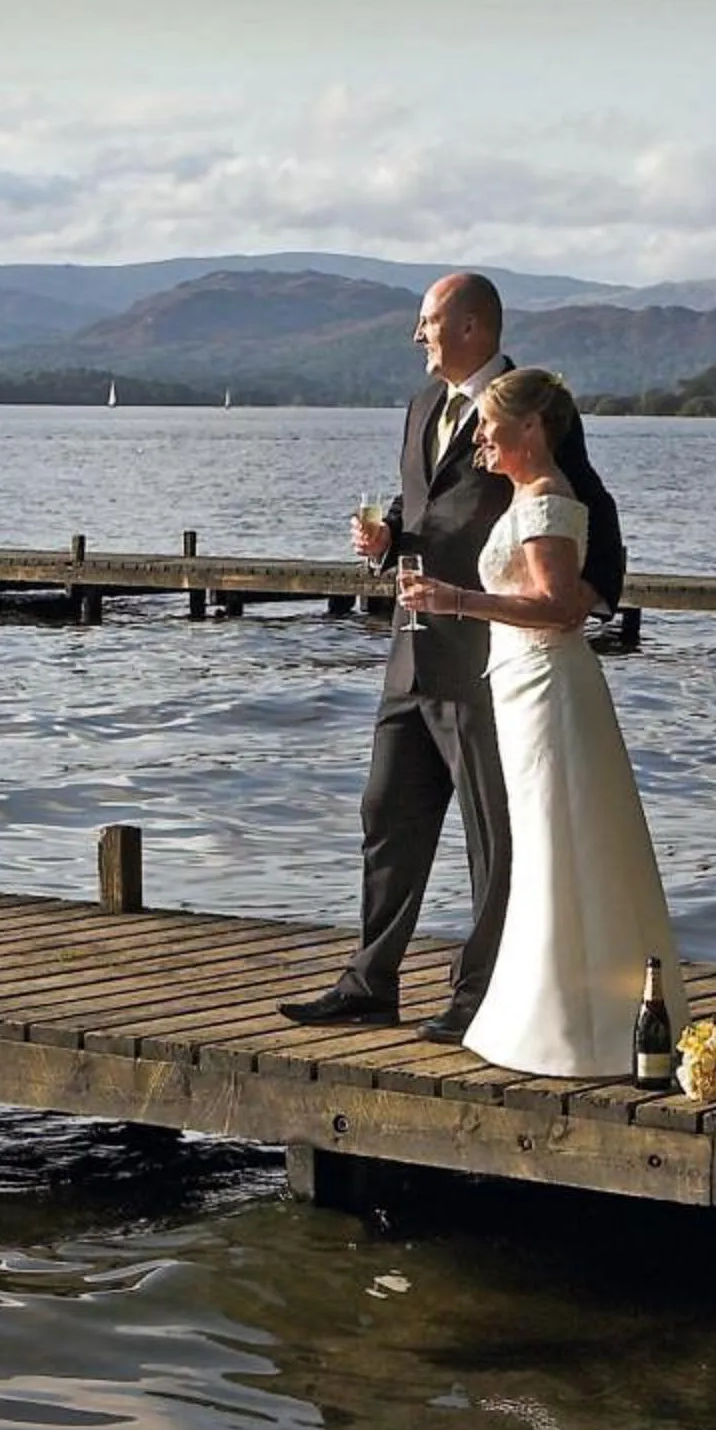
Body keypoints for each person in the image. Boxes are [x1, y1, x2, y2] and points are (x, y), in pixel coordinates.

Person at [278, 272, 625, 1042]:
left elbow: (589, 507)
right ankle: (370, 983)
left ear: (471, 327)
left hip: (485, 661)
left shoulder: (529, 407)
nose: (417, 336)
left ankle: (479, 995)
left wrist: (587, 600)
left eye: (427, 322)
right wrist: (386, 540)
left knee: (490, 837)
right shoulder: (421, 406)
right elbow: (422, 507)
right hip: (411, 652)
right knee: (385, 814)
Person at [394, 367, 679, 1077]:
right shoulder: (524, 494)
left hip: (548, 686)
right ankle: (550, 1011)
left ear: (531, 427)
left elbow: (559, 609)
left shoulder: (548, 499)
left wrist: (456, 601)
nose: (480, 440)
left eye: (490, 427)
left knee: (556, 840)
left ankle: (576, 1024)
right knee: (541, 842)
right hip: (520, 685)